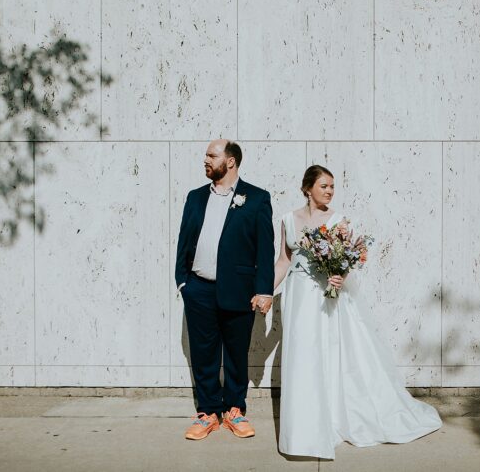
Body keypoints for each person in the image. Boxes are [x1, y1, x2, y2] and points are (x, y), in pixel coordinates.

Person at [274, 165, 441, 459]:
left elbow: (345, 261)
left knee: (325, 354)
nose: (329, 191)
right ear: (308, 188)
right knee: (300, 358)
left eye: (332, 187)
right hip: (297, 297)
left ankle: (330, 421)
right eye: (324, 186)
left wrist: (340, 275)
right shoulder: (289, 219)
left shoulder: (339, 221)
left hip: (325, 298)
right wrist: (264, 291)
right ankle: (302, 426)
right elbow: (283, 262)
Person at [174, 140, 274, 440]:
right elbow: (183, 241)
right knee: (204, 355)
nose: (205, 159)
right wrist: (183, 282)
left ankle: (234, 409)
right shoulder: (194, 197)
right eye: (206, 155)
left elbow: (264, 251)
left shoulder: (256, 198)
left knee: (235, 354)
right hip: (199, 289)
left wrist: (264, 290)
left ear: (230, 161)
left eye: (211, 155)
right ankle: (207, 413)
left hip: (239, 290)